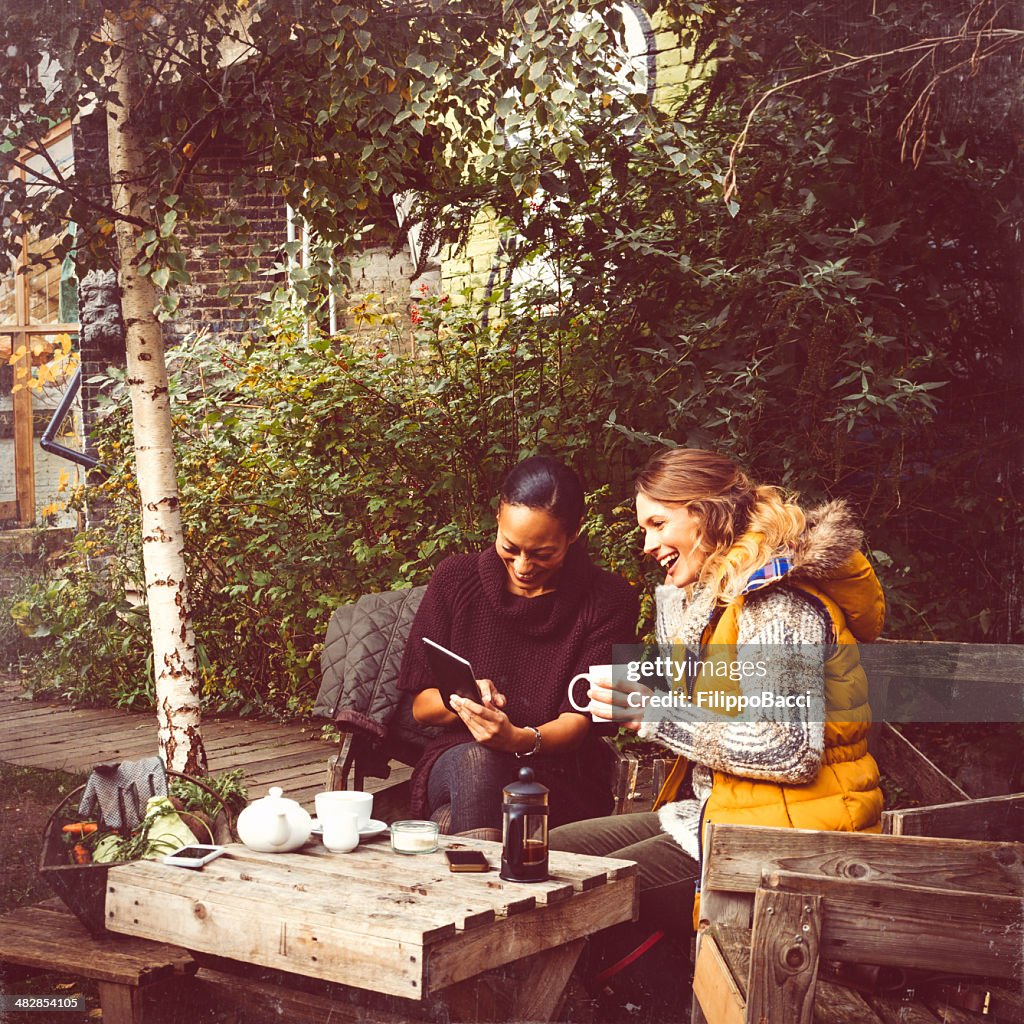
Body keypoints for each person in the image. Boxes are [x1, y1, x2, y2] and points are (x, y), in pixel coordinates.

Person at [549, 447, 885, 1000]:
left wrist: (654, 714)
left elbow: (787, 749)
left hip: (791, 845)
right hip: (723, 813)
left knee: (567, 885)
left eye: (659, 523)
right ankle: (634, 997)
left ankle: (634, 1002)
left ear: (706, 513)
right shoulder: (719, 595)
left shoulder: (775, 599)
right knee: (554, 851)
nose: (648, 544)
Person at [396, 455, 639, 834]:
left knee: (455, 822)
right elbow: (421, 708)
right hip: (459, 759)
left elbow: (582, 721)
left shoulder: (611, 599)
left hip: (561, 772)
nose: (523, 566)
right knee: (479, 763)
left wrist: (518, 739)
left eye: (543, 554)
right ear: (498, 518)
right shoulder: (453, 579)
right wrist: (464, 700)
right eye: (510, 548)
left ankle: (473, 873)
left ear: (574, 533)